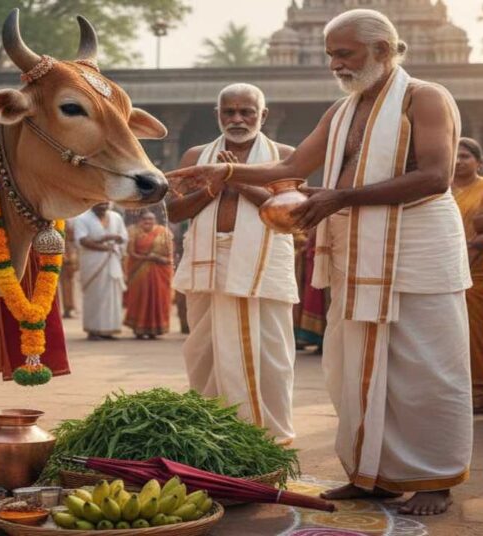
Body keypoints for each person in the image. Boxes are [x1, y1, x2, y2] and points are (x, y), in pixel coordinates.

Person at [167, 9, 472, 515]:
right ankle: (369, 475)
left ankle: (435, 479)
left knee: (424, 367)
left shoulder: (426, 97)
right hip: (358, 250)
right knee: (350, 366)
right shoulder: (341, 111)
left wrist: (339, 199)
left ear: (382, 49)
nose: (334, 63)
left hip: (417, 249)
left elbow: (436, 177)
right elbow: (289, 167)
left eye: (344, 53)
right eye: (330, 54)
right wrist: (219, 172)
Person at [167, 83, 299, 444]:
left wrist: (235, 179)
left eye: (247, 112)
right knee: (204, 350)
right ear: (218, 115)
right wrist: (211, 186)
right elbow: (174, 210)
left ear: (263, 115)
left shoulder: (284, 156)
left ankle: (268, 437)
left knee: (270, 353)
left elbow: (291, 216)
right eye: (230, 112)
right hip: (208, 267)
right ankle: (212, 433)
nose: (238, 119)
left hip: (264, 265)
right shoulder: (196, 155)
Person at [452, 137, 483, 414]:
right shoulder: (439, 190)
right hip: (445, 269)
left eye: (465, 156)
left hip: (478, 272)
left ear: (478, 162)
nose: (459, 161)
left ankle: (478, 391)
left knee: (475, 331)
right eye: (455, 156)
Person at [74, 202, 128, 340]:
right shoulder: (82, 218)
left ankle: (109, 330)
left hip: (113, 261)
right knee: (95, 296)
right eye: (99, 202)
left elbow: (124, 237)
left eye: (105, 202)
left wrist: (116, 240)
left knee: (112, 296)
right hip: (92, 262)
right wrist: (105, 242)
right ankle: (94, 331)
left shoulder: (116, 217)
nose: (103, 204)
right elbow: (82, 240)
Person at [124, 211, 174, 339]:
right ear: (140, 220)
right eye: (145, 219)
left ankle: (156, 329)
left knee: (158, 298)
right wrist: (147, 258)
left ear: (155, 220)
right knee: (140, 298)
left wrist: (157, 258)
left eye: (151, 220)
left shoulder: (164, 232)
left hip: (160, 272)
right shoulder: (133, 231)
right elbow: (131, 253)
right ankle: (138, 328)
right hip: (138, 271)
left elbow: (170, 255)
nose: (148, 222)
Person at [294, 229, 327, 352]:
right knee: (310, 298)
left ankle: (322, 339)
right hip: (311, 254)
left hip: (318, 255)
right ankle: (315, 337)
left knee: (318, 299)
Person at [59, 218, 78, 319]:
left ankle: (69, 308)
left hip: (68, 255)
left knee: (69, 283)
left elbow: (73, 241)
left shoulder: (71, 221)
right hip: (59, 255)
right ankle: (66, 308)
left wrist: (73, 256)